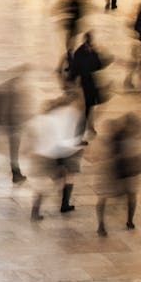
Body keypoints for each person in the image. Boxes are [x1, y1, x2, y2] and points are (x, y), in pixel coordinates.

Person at [27, 92, 83, 220]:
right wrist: (76, 145)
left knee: (56, 180)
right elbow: (60, 140)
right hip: (49, 155)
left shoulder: (43, 117)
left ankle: (47, 208)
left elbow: (31, 131)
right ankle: (42, 210)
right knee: (51, 183)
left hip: (39, 154)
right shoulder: (63, 117)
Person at [95, 114, 141, 235]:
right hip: (116, 171)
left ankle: (128, 221)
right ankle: (103, 225)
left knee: (129, 195)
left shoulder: (130, 137)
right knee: (108, 196)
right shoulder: (120, 137)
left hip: (125, 172)